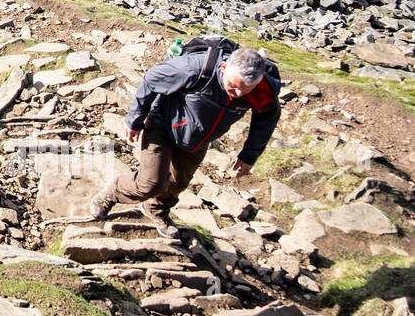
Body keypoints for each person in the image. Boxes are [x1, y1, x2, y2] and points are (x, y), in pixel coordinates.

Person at [90, 42, 281, 238]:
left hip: (198, 140)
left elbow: (267, 118)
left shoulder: (263, 90)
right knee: (151, 183)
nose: (239, 93)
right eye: (233, 86)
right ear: (224, 68)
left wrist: (249, 156)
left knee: (178, 183)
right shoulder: (195, 69)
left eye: (246, 89)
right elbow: (152, 79)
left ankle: (156, 211)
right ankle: (110, 194)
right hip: (162, 125)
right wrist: (134, 119)